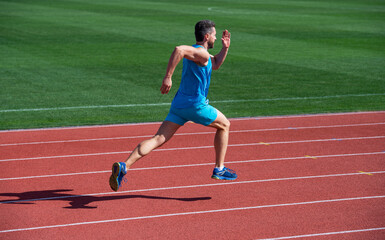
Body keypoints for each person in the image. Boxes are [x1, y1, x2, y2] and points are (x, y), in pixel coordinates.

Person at [109, 20, 237, 192]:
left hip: (179, 105)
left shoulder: (201, 55)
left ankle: (125, 165)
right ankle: (219, 168)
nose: (216, 37)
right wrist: (168, 76)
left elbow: (215, 65)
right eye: (214, 35)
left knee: (158, 139)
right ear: (207, 36)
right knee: (225, 125)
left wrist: (225, 48)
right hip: (196, 105)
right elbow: (179, 49)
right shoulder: (201, 53)